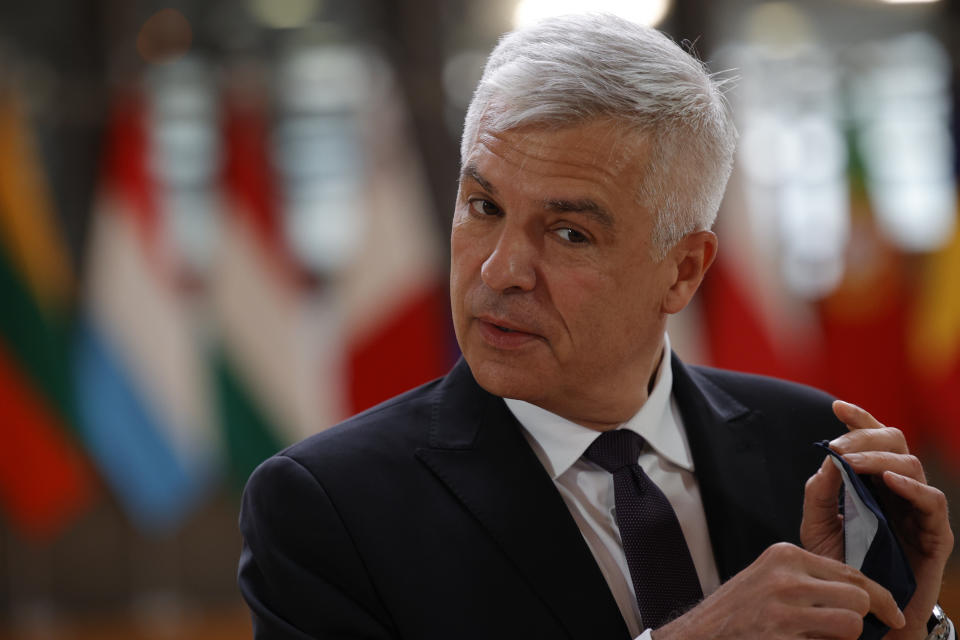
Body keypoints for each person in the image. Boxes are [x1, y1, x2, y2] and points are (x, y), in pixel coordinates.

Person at [238, 13, 954, 640]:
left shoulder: (814, 451)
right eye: (483, 206)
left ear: (682, 271)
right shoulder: (326, 508)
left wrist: (910, 630)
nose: (498, 271)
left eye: (569, 233)